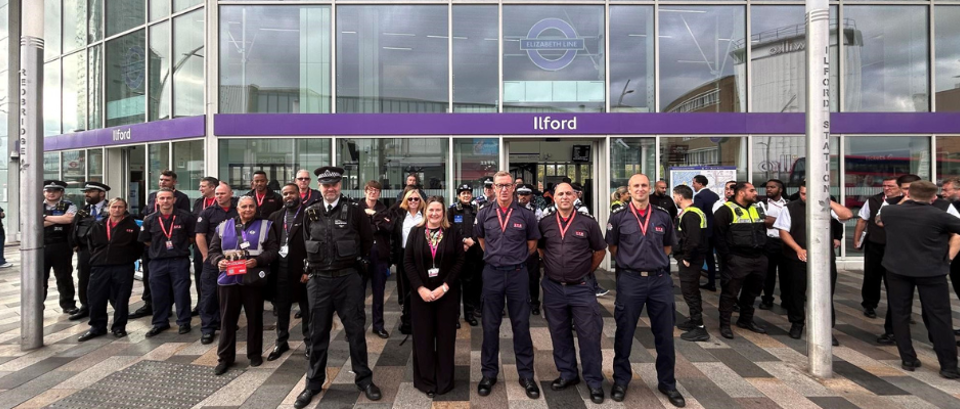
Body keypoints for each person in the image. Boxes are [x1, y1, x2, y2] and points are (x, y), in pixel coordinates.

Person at [295, 166, 381, 408]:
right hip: (319, 280)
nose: (330, 189)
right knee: (317, 333)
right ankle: (312, 384)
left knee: (355, 331)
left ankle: (364, 379)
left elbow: (366, 242)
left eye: (334, 184)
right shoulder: (310, 212)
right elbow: (305, 242)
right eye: (325, 185)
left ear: (340, 185)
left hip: (347, 280)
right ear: (319, 187)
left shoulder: (354, 211)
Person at [605, 174, 684, 407]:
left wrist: (653, 263)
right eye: (635, 186)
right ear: (628, 190)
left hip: (659, 281)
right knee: (624, 331)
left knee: (664, 334)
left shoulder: (662, 216)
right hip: (630, 281)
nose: (640, 189)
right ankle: (621, 380)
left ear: (650, 189)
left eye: (644, 185)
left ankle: (667, 383)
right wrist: (633, 263)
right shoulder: (619, 217)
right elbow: (613, 247)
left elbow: (668, 246)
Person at [881, 181, 960, 379]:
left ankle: (908, 359)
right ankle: (948, 366)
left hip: (896, 269)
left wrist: (903, 201)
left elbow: (881, 219)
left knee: (899, 314)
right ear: (933, 198)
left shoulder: (890, 212)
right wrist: (948, 257)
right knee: (940, 317)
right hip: (931, 272)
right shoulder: (940, 216)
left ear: (908, 194)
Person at [475, 171, 542, 400]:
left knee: (521, 325)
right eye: (499, 185)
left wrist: (515, 258)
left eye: (507, 185)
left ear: (514, 187)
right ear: (493, 188)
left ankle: (526, 375)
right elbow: (482, 241)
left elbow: (532, 245)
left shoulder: (526, 215)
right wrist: (496, 257)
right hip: (492, 274)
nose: (503, 189)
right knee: (490, 325)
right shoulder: (484, 214)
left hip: (517, 275)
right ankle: (489, 373)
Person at [538, 182, 607, 404]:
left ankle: (594, 381)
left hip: (581, 288)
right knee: (559, 333)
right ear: (554, 197)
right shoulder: (546, 223)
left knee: (589, 335)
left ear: (575, 196)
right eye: (561, 194)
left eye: (569, 193)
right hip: (554, 287)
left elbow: (600, 250)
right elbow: (541, 249)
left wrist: (586, 271)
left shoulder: (588, 222)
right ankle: (567, 374)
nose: (565, 197)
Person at [774, 184, 852, 346]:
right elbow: (783, 231)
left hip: (824, 259)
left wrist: (828, 201)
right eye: (803, 194)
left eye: (810, 194)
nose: (806, 197)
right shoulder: (790, 208)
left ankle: (826, 329)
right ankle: (797, 324)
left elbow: (847, 215)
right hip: (797, 259)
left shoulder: (826, 205)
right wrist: (798, 249)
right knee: (796, 293)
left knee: (825, 294)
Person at [208, 195, 279, 374]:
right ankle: (225, 358)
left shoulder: (265, 226)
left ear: (256, 208)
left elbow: (273, 251)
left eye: (251, 206)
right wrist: (218, 261)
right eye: (244, 207)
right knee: (227, 321)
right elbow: (213, 251)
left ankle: (254, 354)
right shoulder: (223, 227)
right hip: (228, 280)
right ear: (237, 209)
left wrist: (258, 260)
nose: (248, 210)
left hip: (252, 280)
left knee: (255, 318)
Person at [404, 196, 465, 397]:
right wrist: (420, 288)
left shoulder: (453, 233)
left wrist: (445, 287)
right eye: (431, 210)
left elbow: (459, 261)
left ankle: (444, 381)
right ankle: (426, 381)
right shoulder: (415, 232)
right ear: (425, 211)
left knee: (446, 338)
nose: (434, 214)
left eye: (438, 210)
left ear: (443, 212)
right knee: (423, 338)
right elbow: (408, 263)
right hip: (421, 295)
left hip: (446, 294)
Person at [78, 198, 143, 341]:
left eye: (120, 207)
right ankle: (97, 327)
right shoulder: (98, 225)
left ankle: (119, 327)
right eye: (114, 207)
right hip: (100, 267)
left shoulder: (132, 227)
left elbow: (138, 247)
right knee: (96, 298)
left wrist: (127, 258)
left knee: (121, 298)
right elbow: (91, 244)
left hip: (123, 267)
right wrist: (98, 257)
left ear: (125, 209)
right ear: (109, 208)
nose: (117, 210)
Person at [131, 170, 191, 320]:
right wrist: (158, 245)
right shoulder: (152, 197)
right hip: (156, 253)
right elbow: (146, 235)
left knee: (180, 289)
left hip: (177, 255)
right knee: (155, 286)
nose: (162, 182)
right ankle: (157, 316)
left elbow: (190, 235)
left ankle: (183, 320)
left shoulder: (182, 199)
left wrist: (177, 244)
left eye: (166, 180)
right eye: (161, 179)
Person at [139, 188, 197, 337]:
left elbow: (192, 237)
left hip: (179, 261)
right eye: (162, 198)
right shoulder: (150, 219)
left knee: (181, 293)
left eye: (168, 198)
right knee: (158, 294)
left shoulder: (185, 217)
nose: (165, 201)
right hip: (157, 262)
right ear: (157, 201)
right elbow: (146, 240)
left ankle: (184, 322)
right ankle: (160, 322)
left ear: (174, 200)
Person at [714, 182, 768, 340]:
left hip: (758, 258)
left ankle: (745, 320)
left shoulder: (756, 208)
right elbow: (718, 237)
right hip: (737, 258)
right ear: (741, 193)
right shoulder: (725, 211)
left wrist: (764, 254)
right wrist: (728, 257)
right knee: (730, 293)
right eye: (751, 190)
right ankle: (724, 324)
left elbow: (762, 230)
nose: (755, 193)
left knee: (752, 292)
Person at [267, 184, 312, 361]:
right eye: (285, 194)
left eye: (291, 193)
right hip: (281, 270)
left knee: (307, 310)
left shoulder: (309, 214)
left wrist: (310, 268)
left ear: (298, 194)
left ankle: (309, 343)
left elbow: (314, 242)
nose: (288, 196)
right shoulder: (275, 216)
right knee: (282, 309)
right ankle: (281, 341)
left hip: (303, 270)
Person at [195, 182, 238, 344]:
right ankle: (207, 328)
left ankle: (224, 322)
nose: (219, 196)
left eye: (223, 193)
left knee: (230, 293)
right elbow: (200, 235)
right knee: (209, 294)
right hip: (213, 260)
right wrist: (206, 256)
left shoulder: (237, 211)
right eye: (218, 194)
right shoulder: (208, 212)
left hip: (234, 259)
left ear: (231, 194)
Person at [854, 175, 900, 321]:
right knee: (872, 276)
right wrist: (856, 240)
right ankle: (869, 305)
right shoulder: (873, 201)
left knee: (897, 279)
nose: (887, 188)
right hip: (875, 243)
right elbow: (862, 220)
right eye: (885, 186)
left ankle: (900, 307)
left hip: (897, 246)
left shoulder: (906, 202)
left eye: (891, 186)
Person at [672, 184, 709, 342]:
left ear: (680, 197)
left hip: (691, 260)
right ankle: (694, 321)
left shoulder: (691, 214)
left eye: (674, 196)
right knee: (692, 290)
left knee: (689, 292)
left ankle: (699, 328)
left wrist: (686, 258)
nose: (674, 199)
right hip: (694, 258)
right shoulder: (693, 212)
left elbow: (693, 239)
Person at [70, 181, 111, 321]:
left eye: (90, 191)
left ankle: (113, 307)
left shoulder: (112, 208)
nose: (86, 194)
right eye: (86, 192)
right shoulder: (83, 210)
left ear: (101, 193)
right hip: (85, 250)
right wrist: (75, 245)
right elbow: (74, 228)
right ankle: (85, 306)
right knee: (84, 279)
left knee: (108, 280)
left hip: (105, 250)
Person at [359, 180, 393, 339]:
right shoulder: (356, 208)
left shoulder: (383, 209)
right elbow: (355, 229)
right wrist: (376, 226)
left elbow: (389, 228)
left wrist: (375, 216)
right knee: (358, 295)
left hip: (379, 256)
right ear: (365, 191)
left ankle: (378, 326)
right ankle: (357, 326)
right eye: (370, 190)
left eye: (376, 191)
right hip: (360, 256)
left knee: (379, 293)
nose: (373, 193)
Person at [42, 180, 79, 314]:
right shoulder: (36, 204)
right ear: (44, 192)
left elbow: (69, 220)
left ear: (61, 192)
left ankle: (68, 304)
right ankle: (37, 304)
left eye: (55, 191)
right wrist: (59, 219)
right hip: (42, 246)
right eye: (48, 191)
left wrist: (45, 217)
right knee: (40, 277)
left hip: (62, 245)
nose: (51, 193)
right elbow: (34, 223)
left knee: (64, 276)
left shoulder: (69, 205)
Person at [392, 187, 425, 335]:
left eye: (416, 199)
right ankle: (407, 320)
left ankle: (421, 320)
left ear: (420, 201)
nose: (413, 201)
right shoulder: (400, 215)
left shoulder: (425, 215)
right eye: (410, 199)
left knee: (419, 287)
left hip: (421, 255)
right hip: (404, 255)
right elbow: (394, 236)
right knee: (405, 289)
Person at [449, 184, 482, 327]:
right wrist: (463, 240)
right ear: (458, 195)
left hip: (472, 252)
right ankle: (454, 316)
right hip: (457, 252)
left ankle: (469, 314)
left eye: (468, 193)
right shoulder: (452, 210)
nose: (466, 195)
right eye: (463, 193)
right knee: (455, 285)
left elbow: (479, 228)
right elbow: (449, 228)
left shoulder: (476, 210)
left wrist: (472, 241)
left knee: (470, 285)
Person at [757, 179, 789, 311]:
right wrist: (783, 222)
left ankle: (786, 300)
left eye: (772, 187)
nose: (768, 189)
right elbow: (762, 220)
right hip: (768, 241)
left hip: (785, 242)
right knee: (768, 273)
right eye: (767, 187)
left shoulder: (788, 204)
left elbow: (793, 222)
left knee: (786, 274)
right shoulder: (761, 204)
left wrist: (773, 221)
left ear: (780, 189)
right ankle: (767, 298)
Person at [191, 176, 219, 317]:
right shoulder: (199, 202)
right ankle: (201, 303)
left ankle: (216, 306)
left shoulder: (220, 203)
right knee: (200, 275)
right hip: (199, 245)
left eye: (203, 186)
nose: (200, 189)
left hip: (216, 247)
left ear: (212, 187)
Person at [518, 184, 544, 315]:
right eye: (520, 194)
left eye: (526, 194)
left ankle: (534, 303)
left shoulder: (536, 210)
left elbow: (540, 230)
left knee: (533, 278)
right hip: (516, 249)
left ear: (531, 196)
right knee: (516, 279)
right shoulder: (513, 210)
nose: (523, 197)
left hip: (531, 249)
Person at [692, 175, 720, 292]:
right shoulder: (715, 195)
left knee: (700, 257)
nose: (692, 185)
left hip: (705, 232)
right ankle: (712, 282)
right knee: (711, 259)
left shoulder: (699, 196)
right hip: (715, 231)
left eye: (694, 183)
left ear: (700, 184)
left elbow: (698, 214)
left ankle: (695, 282)